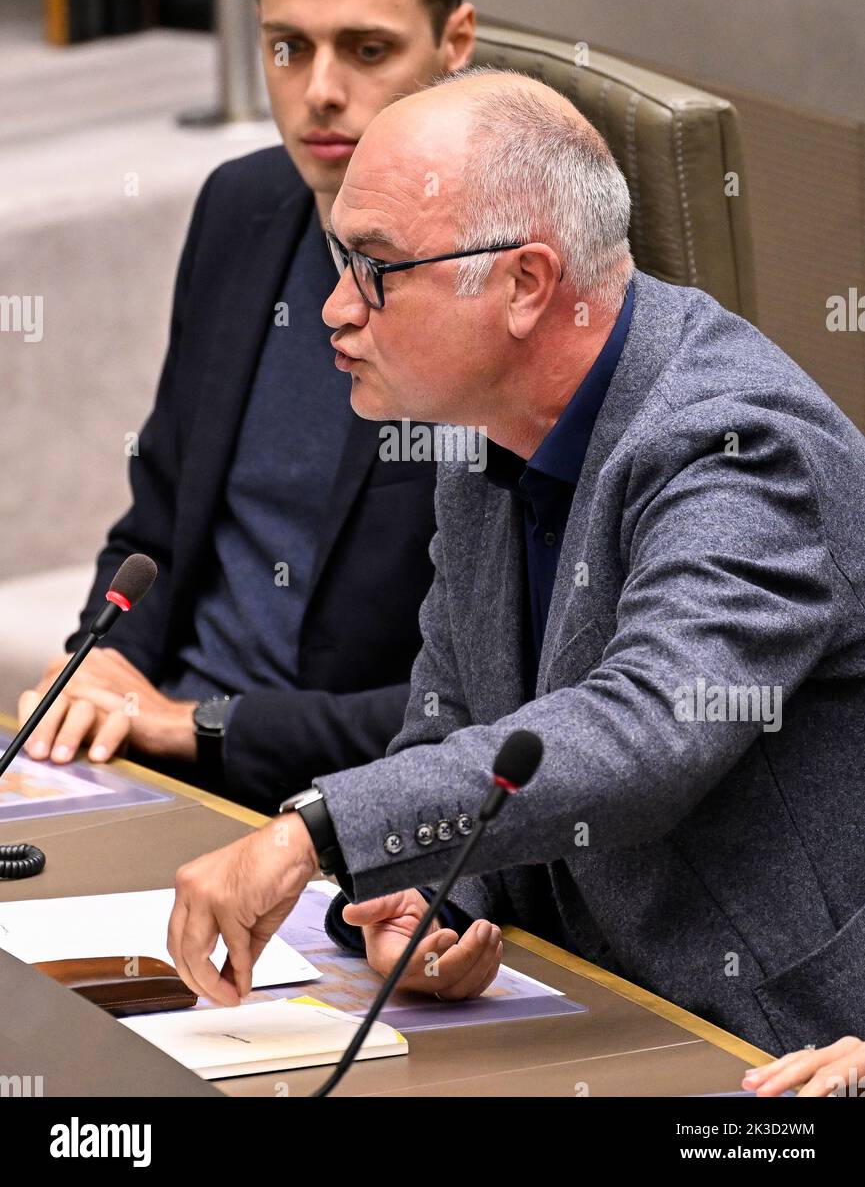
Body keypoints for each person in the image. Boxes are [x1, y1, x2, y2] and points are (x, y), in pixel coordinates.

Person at [168, 65, 865, 1078]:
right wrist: (437, 898)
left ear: (526, 284)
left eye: (376, 267)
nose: (332, 308)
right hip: (585, 1013)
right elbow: (453, 726)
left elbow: (644, 732)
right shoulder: (484, 439)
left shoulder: (737, 445)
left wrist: (317, 830)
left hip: (773, 1041)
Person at [15, 0, 480, 813]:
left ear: (455, 44)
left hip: (342, 807)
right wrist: (100, 668)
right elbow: (155, 531)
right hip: (153, 770)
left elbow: (481, 701)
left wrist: (195, 724)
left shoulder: (496, 292)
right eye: (286, 46)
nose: (317, 90)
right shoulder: (242, 206)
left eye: (366, 49)